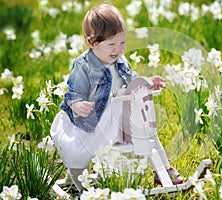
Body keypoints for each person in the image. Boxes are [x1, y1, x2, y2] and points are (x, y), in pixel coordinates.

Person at [50, 3, 183, 192]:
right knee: (78, 154)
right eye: (112, 44)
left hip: (118, 117)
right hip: (92, 121)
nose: (118, 49)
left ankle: (164, 171)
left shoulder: (119, 60)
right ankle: (80, 184)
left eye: (122, 43)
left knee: (149, 133)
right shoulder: (83, 65)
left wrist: (146, 82)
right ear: (92, 43)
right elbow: (74, 92)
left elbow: (131, 81)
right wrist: (77, 105)